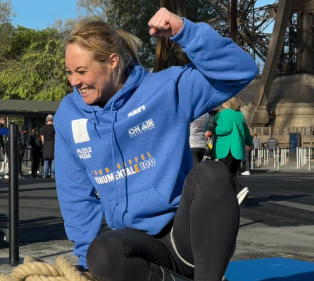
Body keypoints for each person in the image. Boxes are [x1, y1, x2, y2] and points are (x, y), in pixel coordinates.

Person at [54, 8, 258, 281]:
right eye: (69, 72)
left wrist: (186, 32)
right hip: (139, 247)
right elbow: (75, 194)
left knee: (212, 174)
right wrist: (84, 262)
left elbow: (243, 70)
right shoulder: (69, 115)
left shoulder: (165, 89)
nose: (74, 81)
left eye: (81, 71)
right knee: (100, 252)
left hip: (184, 237)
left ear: (112, 61)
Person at [211, 96, 253, 204]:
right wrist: (249, 143)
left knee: (224, 174)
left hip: (226, 148)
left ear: (227, 103)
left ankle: (239, 189)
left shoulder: (225, 113)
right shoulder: (240, 115)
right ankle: (231, 197)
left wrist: (213, 129)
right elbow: (246, 132)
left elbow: (226, 128)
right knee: (232, 173)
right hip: (237, 149)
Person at [40, 114, 55, 178]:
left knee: (46, 159)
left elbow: (42, 138)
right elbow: (56, 136)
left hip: (46, 144)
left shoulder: (43, 128)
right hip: (52, 144)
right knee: (53, 159)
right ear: (52, 119)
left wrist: (44, 143)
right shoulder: (54, 127)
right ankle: (52, 173)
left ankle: (45, 173)